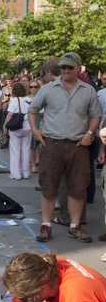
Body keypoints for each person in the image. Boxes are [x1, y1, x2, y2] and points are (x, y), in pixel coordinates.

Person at [29, 52, 101, 244]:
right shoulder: (48, 89)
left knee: (78, 188)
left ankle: (75, 226)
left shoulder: (88, 91)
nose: (66, 71)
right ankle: (46, 225)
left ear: (79, 68)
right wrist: (35, 131)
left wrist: (89, 133)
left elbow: (96, 115)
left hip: (78, 145)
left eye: (70, 67)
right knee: (48, 186)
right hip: (53, 144)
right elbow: (33, 109)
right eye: (63, 67)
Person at [3, 83, 32, 180]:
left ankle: (16, 174)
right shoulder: (29, 100)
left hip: (16, 128)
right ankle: (26, 172)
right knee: (26, 150)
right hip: (28, 127)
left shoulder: (15, 100)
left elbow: (10, 114)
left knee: (15, 150)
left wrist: (5, 126)